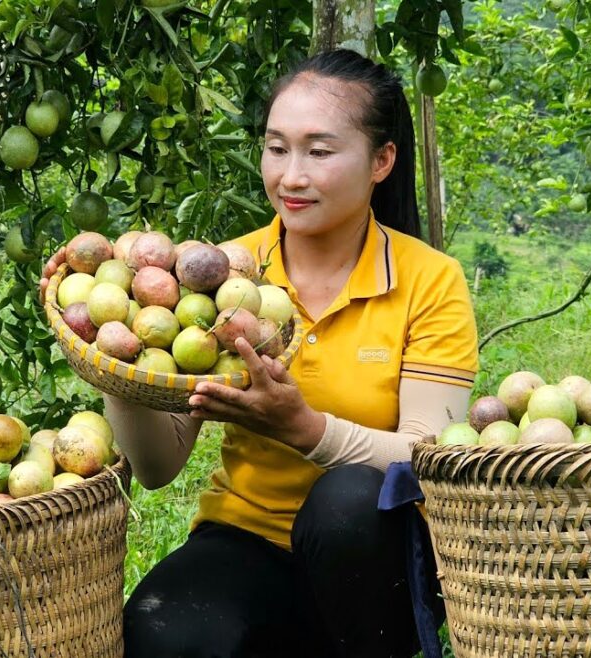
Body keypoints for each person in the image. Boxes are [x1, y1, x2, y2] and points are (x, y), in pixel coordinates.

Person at [42, 48, 478, 657]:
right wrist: (116, 363)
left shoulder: (430, 279)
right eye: (276, 148)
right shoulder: (224, 275)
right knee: (164, 635)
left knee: (347, 500)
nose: (290, 176)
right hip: (247, 536)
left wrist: (302, 428)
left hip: (377, 556)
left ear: (381, 161)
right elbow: (157, 468)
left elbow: (430, 460)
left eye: (319, 151)